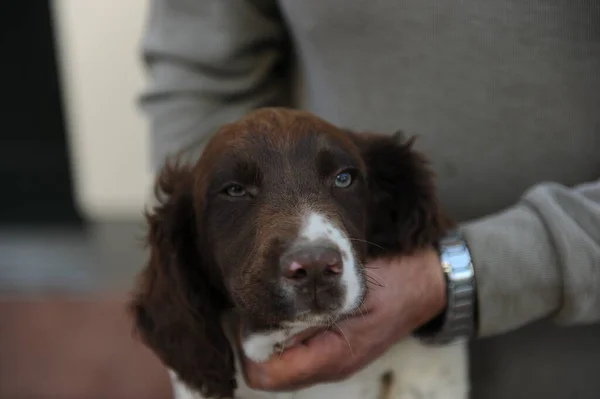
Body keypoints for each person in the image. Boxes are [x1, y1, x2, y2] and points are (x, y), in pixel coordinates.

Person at [138, 1, 600, 398]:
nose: (310, 257)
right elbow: (201, 69)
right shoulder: (190, 231)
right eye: (235, 191)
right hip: (328, 347)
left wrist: (443, 279)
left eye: (343, 178)